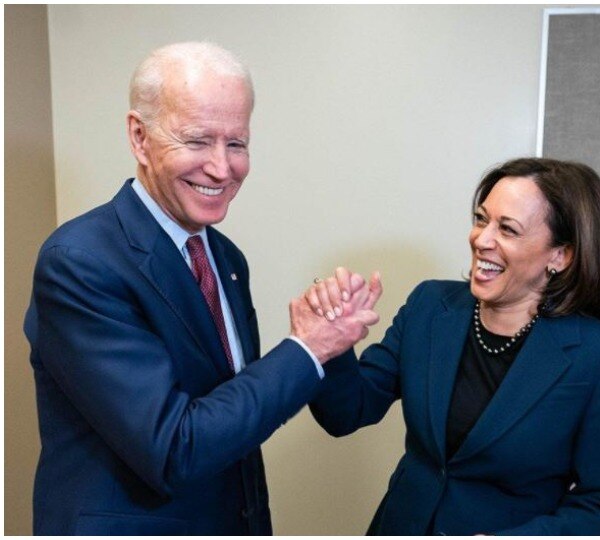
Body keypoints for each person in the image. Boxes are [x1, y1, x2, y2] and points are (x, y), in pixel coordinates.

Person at [24, 42, 380, 535]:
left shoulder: (225, 258)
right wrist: (307, 348)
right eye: (196, 141)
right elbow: (175, 448)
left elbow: (234, 418)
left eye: (237, 144)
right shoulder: (80, 262)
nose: (222, 167)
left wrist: (326, 341)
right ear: (139, 137)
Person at [306, 157, 600, 535]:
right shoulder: (430, 306)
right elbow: (346, 413)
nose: (481, 239)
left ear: (560, 256)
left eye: (508, 229)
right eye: (482, 219)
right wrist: (332, 344)